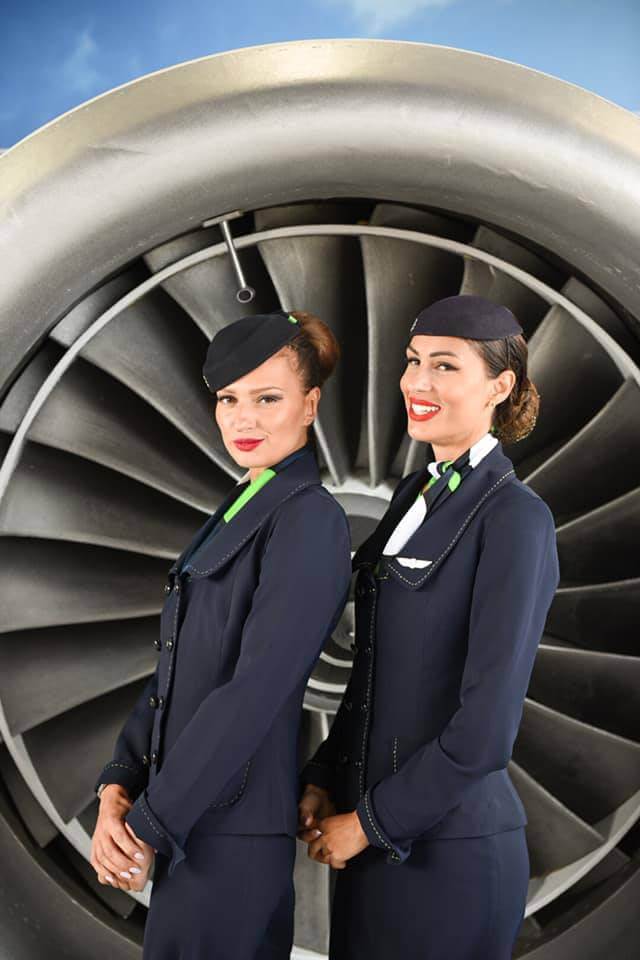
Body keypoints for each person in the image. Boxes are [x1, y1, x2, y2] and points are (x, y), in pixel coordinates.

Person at [298, 294, 560, 960]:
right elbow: (375, 672)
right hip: (372, 843)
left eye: (445, 366)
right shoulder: (412, 495)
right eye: (413, 361)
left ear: (500, 385)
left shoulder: (514, 518)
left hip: (447, 855)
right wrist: (326, 773)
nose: (417, 382)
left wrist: (369, 823)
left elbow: (485, 731)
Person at [90, 309, 352, 960]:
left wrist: (148, 825)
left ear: (310, 404)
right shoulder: (242, 504)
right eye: (229, 399)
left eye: (268, 399)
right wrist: (118, 784)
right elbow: (177, 667)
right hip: (190, 822)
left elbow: (255, 689)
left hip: (231, 833)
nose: (243, 419)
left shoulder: (308, 520)